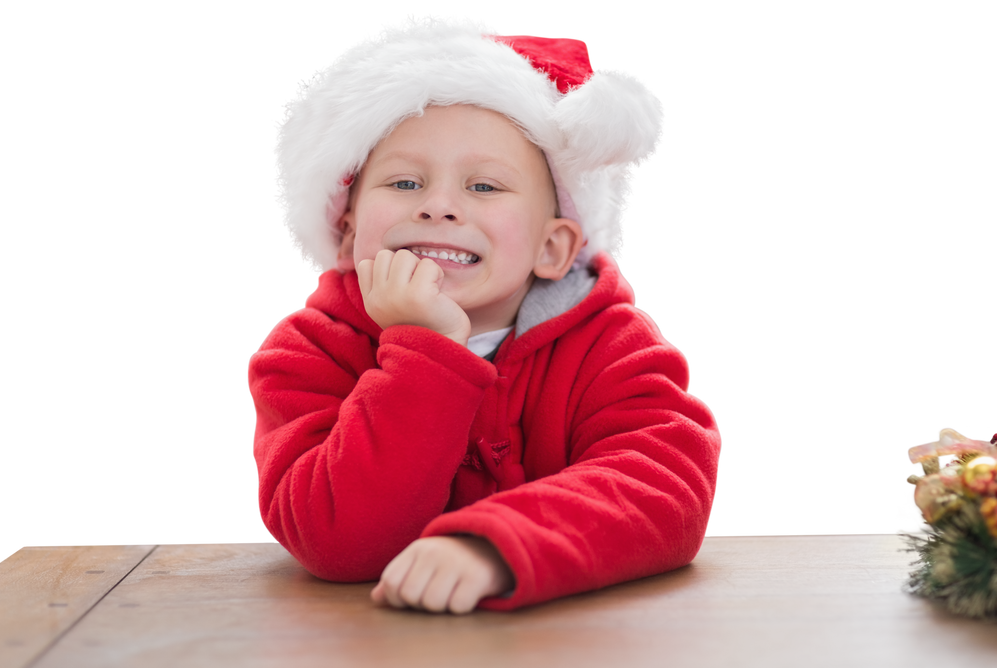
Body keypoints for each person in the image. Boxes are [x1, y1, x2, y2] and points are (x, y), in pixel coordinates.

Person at [248, 11, 724, 614]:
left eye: (484, 187)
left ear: (554, 248)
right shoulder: (307, 352)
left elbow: (667, 486)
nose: (439, 206)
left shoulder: (613, 343)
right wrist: (427, 351)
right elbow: (334, 542)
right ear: (345, 234)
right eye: (403, 183)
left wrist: (494, 546)